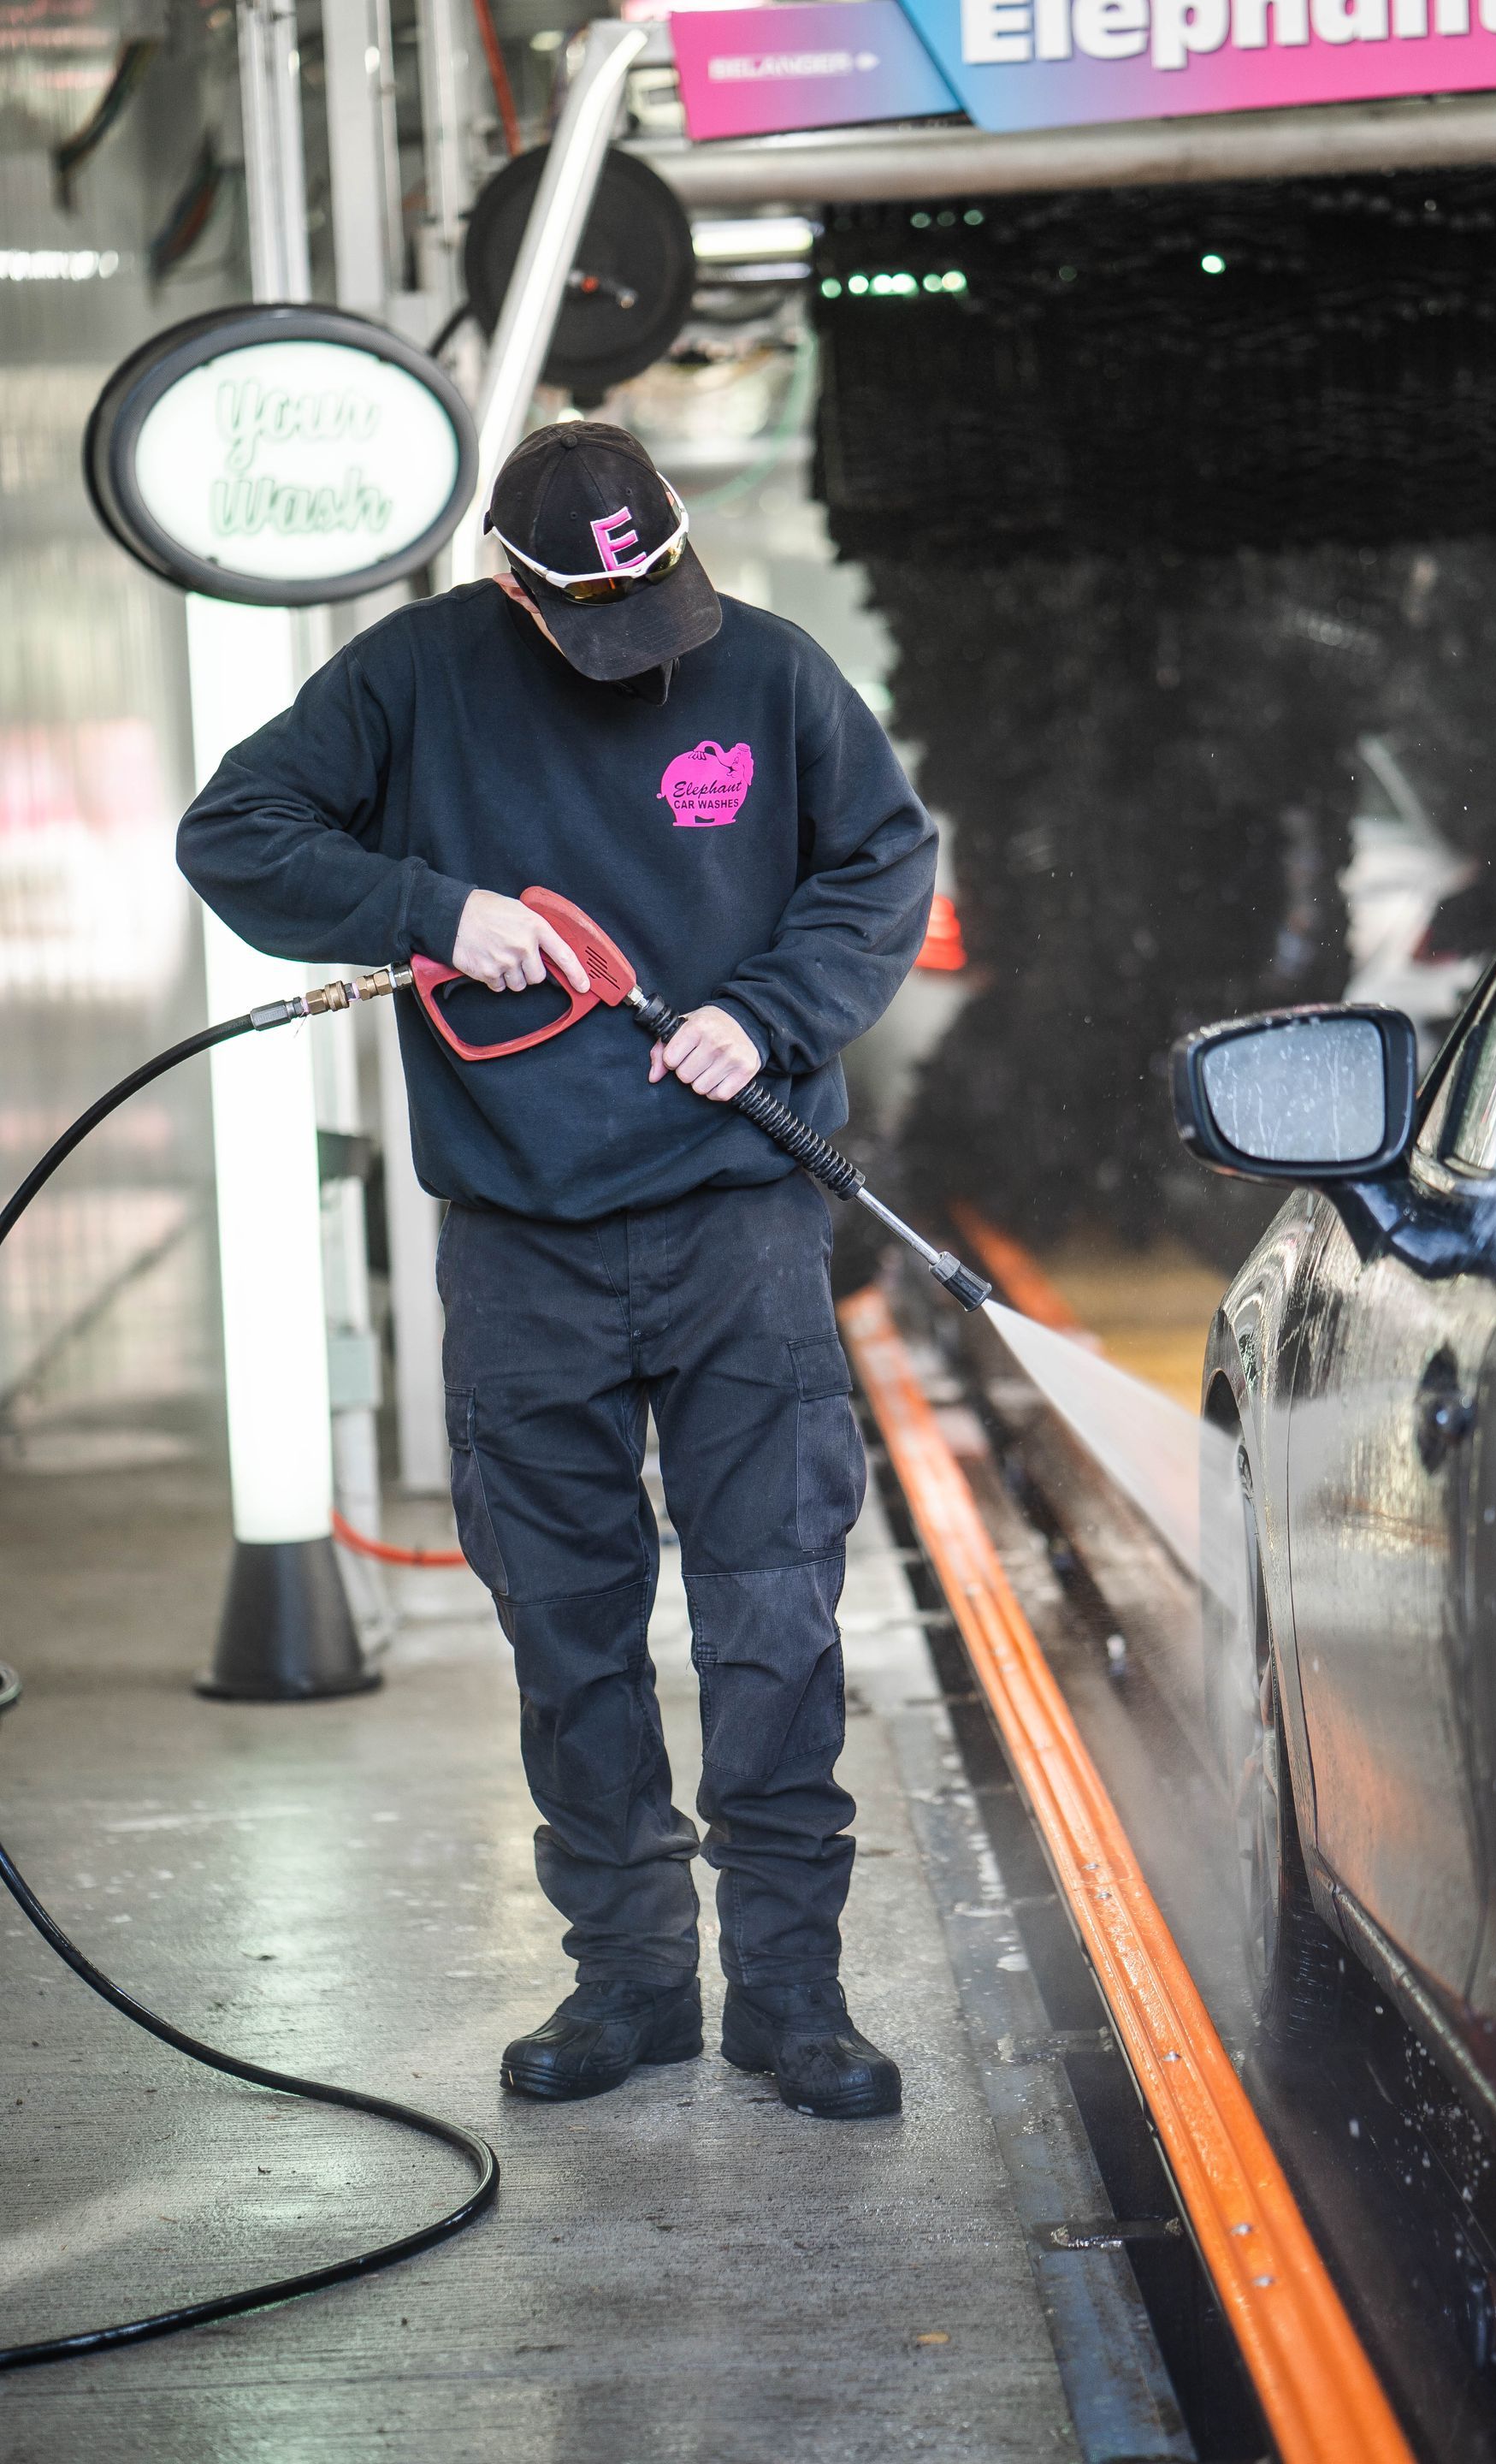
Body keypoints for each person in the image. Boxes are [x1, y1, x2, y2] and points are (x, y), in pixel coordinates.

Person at [177, 421, 937, 2121]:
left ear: (678, 548)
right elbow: (235, 834)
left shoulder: (776, 676)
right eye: (584, 620)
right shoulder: (415, 681)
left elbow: (880, 866)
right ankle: (634, 1982)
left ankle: (793, 1997)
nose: (630, 654)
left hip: (741, 1219)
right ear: (513, 592)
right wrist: (431, 911)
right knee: (572, 1625)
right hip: (522, 1236)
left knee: (769, 1609)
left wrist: (771, 1013)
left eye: (652, 604)